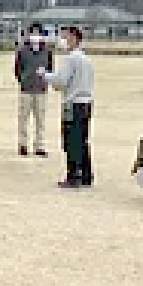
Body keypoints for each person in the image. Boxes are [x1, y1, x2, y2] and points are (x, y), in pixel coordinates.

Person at [39, 26, 94, 189]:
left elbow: (61, 81)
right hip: (86, 102)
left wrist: (45, 75)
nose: (63, 40)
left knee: (71, 141)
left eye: (66, 37)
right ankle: (86, 174)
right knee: (82, 139)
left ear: (74, 39)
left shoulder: (71, 59)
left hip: (73, 103)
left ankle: (73, 176)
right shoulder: (85, 59)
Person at [15, 22, 53, 157]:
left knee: (40, 119)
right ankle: (23, 145)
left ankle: (40, 145)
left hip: (41, 89)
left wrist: (45, 81)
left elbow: (50, 68)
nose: (35, 36)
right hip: (26, 89)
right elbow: (17, 68)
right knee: (23, 118)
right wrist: (22, 80)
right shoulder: (22, 50)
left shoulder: (47, 51)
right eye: (33, 33)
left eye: (38, 33)